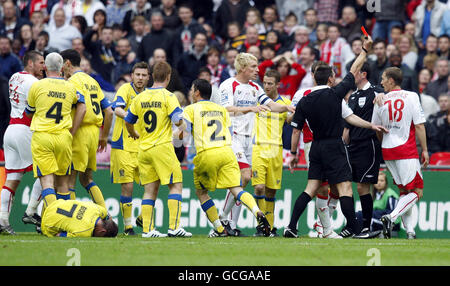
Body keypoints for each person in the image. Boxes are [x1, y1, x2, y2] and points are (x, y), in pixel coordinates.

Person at [286, 36, 388, 238]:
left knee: (311, 188)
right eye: (334, 76)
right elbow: (352, 74)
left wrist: (293, 153)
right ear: (330, 79)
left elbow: (294, 126)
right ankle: (352, 227)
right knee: (345, 188)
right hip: (334, 146)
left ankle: (291, 226)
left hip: (315, 147)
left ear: (315, 78)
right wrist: (364, 51)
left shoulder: (304, 100)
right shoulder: (336, 94)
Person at [178, 79, 271, 237]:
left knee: (201, 192)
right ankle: (257, 212)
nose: (190, 93)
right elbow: (229, 132)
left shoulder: (190, 109)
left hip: (206, 153)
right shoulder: (221, 110)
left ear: (197, 92)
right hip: (227, 152)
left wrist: (174, 135)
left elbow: (183, 134)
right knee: (236, 189)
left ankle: (220, 229)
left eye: (192, 90)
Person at [217, 52, 295, 235]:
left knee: (241, 183)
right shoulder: (228, 85)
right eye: (253, 66)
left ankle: (231, 225)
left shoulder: (255, 88)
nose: (257, 70)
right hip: (233, 136)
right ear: (243, 68)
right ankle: (222, 217)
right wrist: (250, 108)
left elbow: (271, 105)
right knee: (244, 177)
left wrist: (286, 107)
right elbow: (226, 109)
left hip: (249, 141)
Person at [124, 61, 191, 238]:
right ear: (168, 77)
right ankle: (174, 227)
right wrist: (183, 128)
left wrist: (134, 134)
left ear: (152, 76)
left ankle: (147, 230)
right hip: (161, 147)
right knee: (175, 185)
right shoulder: (169, 97)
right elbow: (177, 120)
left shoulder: (139, 98)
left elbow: (128, 121)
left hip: (144, 149)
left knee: (149, 190)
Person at [372, 67, 429, 239]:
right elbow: (419, 125)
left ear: (391, 80)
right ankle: (391, 217)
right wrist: (425, 149)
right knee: (417, 191)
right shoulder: (412, 96)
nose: (381, 82)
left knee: (405, 191)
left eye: (383, 79)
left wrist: (385, 144)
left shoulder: (379, 100)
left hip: (388, 149)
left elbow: (377, 128)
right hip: (407, 149)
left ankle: (410, 232)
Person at [25, 52, 86, 214]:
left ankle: (53, 220)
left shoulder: (37, 86)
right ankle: (64, 225)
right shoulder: (70, 87)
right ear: (62, 67)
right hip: (63, 137)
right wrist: (73, 130)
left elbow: (29, 112)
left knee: (47, 182)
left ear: (45, 67)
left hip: (43, 136)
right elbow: (82, 106)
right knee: (63, 184)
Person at [60, 49, 113, 208]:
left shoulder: (72, 83)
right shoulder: (92, 81)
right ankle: (105, 214)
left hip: (79, 132)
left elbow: (81, 110)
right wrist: (103, 137)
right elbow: (109, 112)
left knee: (69, 180)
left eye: (63, 65)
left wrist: (72, 133)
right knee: (87, 179)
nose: (62, 68)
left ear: (67, 63)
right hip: (94, 133)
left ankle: (71, 220)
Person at [0, 51, 44, 235]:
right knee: (47, 172)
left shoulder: (14, 77)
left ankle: (2, 220)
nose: (44, 66)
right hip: (25, 130)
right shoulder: (35, 83)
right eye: (41, 62)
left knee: (12, 179)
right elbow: (36, 109)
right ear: (31, 63)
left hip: (10, 131)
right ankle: (33, 212)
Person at [343, 62, 384, 237]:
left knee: (362, 187)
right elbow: (347, 125)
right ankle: (352, 226)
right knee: (346, 187)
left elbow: (388, 97)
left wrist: (383, 95)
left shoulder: (376, 91)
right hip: (352, 146)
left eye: (354, 71)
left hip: (369, 144)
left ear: (363, 74)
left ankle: (366, 227)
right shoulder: (352, 96)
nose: (351, 74)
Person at [110, 62, 149, 236]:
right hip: (123, 145)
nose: (140, 78)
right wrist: (129, 116)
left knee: (152, 184)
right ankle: (128, 227)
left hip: (143, 146)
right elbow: (116, 109)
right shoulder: (125, 89)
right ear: (132, 75)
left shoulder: (149, 95)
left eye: (143, 75)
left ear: (148, 78)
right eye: (137, 75)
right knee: (127, 186)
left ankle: (142, 217)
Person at [252, 70, 291, 237]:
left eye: (270, 83)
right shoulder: (256, 101)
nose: (266, 86)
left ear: (277, 85)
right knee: (259, 188)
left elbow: (292, 120)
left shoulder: (285, 103)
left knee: (271, 191)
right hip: (258, 147)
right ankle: (261, 225)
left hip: (276, 149)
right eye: (264, 83)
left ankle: (270, 227)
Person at [41, 199, 118, 237]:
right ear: (102, 231)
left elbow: (108, 215)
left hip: (54, 203)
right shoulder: (85, 232)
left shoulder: (99, 210)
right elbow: (59, 235)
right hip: (46, 224)